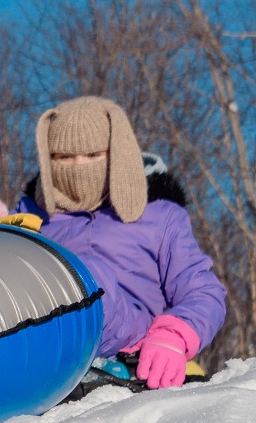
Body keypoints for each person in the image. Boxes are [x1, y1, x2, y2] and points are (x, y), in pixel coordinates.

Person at [13, 96, 227, 388]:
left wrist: (174, 335)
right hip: (43, 342)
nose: (78, 167)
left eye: (93, 155)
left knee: (84, 274)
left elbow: (203, 290)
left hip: (133, 339)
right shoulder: (29, 217)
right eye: (64, 158)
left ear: (117, 155)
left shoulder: (159, 216)